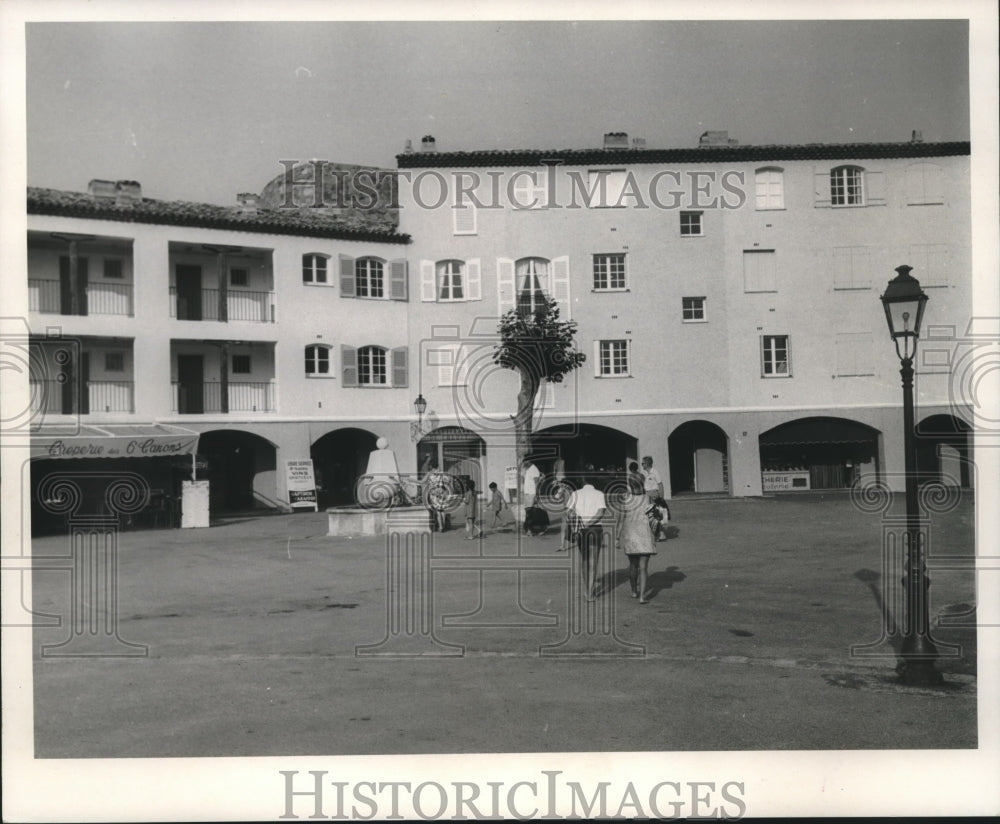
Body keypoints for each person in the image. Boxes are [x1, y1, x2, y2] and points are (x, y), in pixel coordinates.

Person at [615, 475, 658, 603]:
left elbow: (621, 520)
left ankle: (634, 591)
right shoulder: (649, 498)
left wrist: (617, 537)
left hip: (630, 535)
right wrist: (655, 535)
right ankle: (642, 596)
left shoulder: (625, 499)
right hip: (645, 534)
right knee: (643, 567)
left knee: (633, 566)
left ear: (630, 484)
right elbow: (653, 519)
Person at [567, 475, 606, 600]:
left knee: (584, 559)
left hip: (580, 530)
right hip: (595, 529)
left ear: (583, 482)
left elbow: (569, 512)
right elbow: (600, 513)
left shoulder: (575, 493)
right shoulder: (599, 494)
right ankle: (590, 592)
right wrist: (589, 523)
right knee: (593, 561)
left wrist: (579, 522)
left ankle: (586, 589)